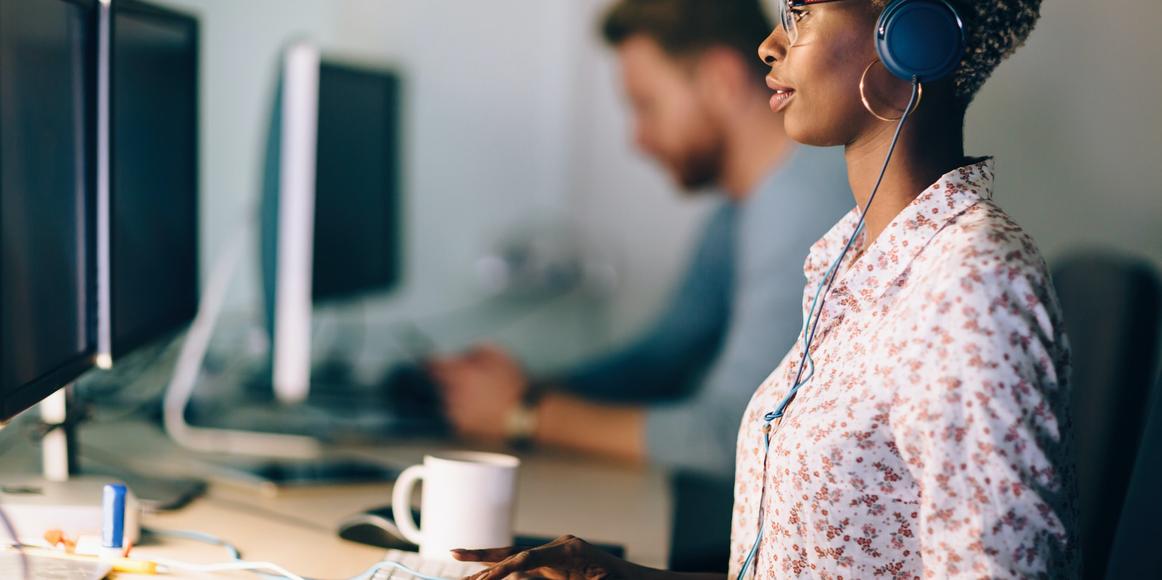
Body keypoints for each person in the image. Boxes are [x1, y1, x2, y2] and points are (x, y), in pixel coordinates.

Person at [452, 0, 1080, 577]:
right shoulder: (847, 262)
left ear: (913, 38)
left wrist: (523, 412)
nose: (769, 45)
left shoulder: (973, 280)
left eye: (803, 12)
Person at [430, 0, 850, 480]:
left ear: (722, 79)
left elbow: (730, 434)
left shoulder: (800, 204)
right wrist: (520, 387)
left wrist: (524, 414)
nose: (638, 139)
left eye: (647, 105)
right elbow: (662, 356)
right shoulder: (737, 214)